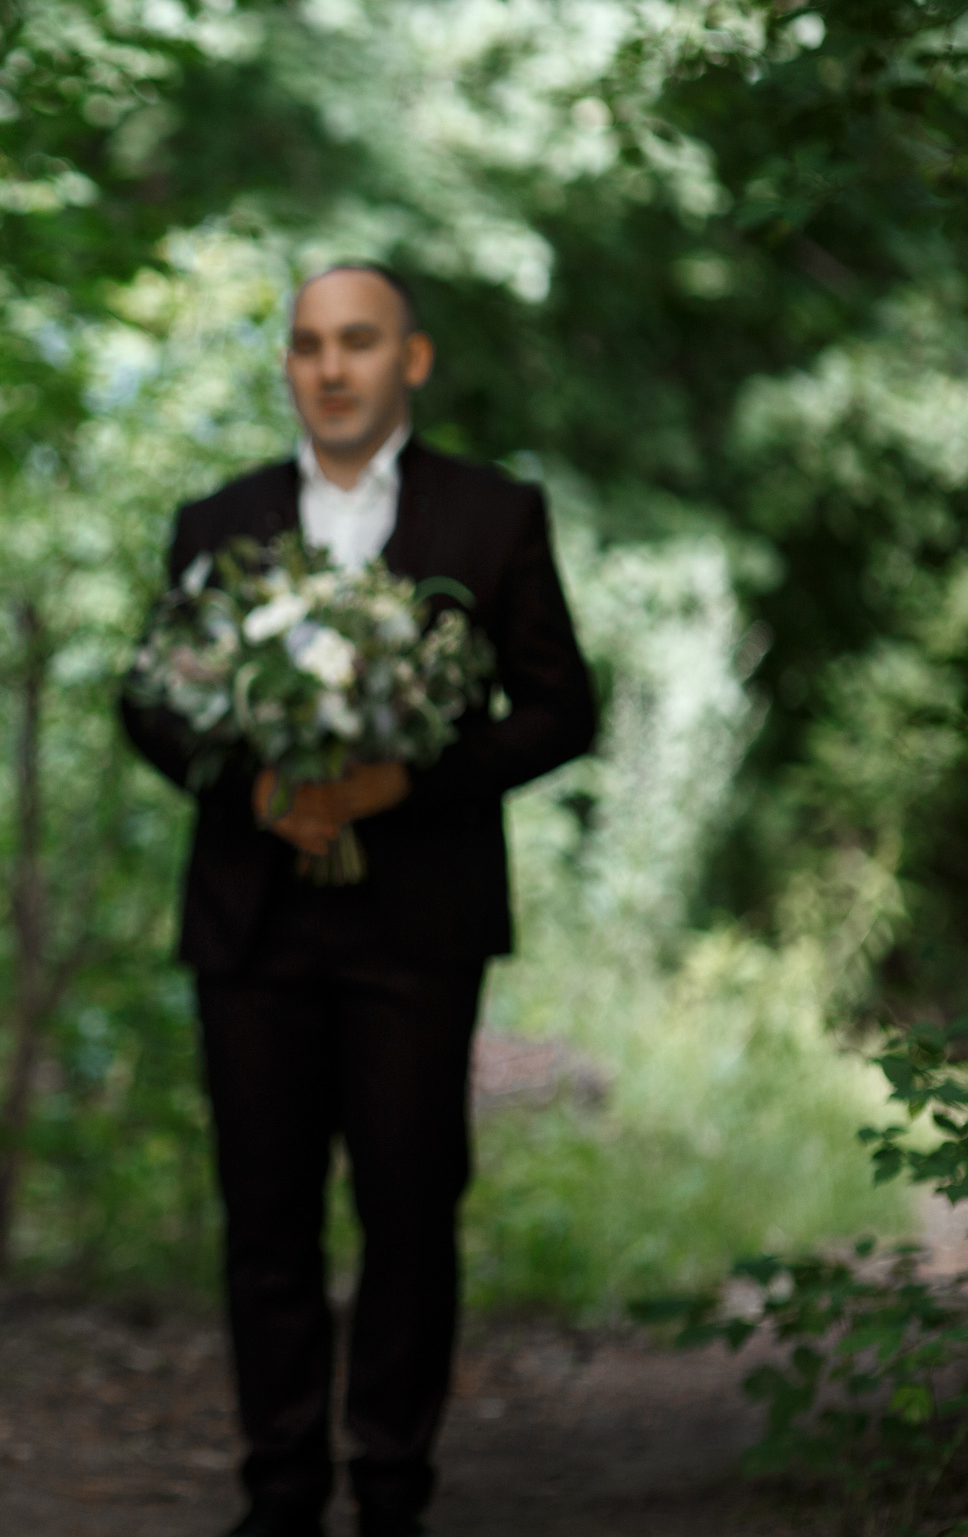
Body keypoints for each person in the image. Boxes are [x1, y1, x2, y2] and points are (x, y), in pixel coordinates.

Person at [119, 265, 596, 1537]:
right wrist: (253, 788)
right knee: (263, 1217)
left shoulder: (495, 518)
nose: (331, 367)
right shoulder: (214, 520)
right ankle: (279, 1494)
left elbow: (563, 709)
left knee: (406, 1207)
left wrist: (404, 781)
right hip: (250, 919)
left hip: (417, 928)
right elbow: (146, 699)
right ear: (288, 365)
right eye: (309, 346)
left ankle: (392, 1492)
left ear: (411, 361)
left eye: (359, 343)